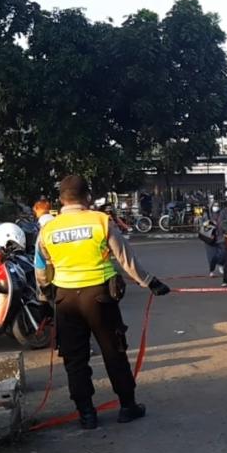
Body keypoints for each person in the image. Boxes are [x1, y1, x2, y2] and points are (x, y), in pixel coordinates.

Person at [34, 175, 170, 430]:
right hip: (99, 298)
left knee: (75, 359)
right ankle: (127, 407)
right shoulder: (100, 221)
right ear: (87, 196)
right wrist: (151, 282)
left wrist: (44, 298)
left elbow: (41, 267)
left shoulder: (48, 229)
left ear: (61, 200)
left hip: (65, 299)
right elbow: (125, 258)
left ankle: (87, 414)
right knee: (113, 352)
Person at [202, 201, 223, 278]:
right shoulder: (206, 215)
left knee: (222, 254)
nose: (216, 207)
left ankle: (221, 265)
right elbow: (203, 225)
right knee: (211, 255)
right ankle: (211, 270)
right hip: (210, 238)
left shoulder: (221, 214)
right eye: (214, 205)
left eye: (217, 205)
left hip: (220, 237)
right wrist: (210, 223)